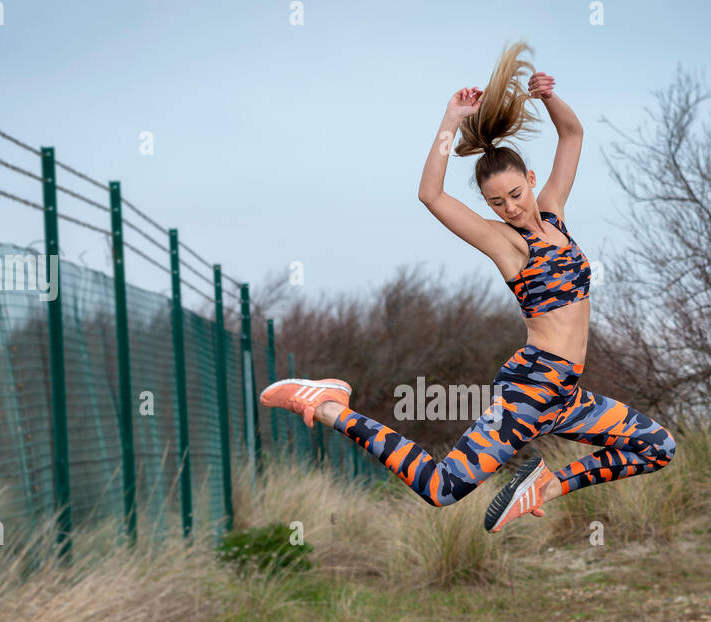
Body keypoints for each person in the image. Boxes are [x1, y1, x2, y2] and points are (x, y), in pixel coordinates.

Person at [261, 41, 675, 533]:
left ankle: (543, 487)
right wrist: (450, 119)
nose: (512, 208)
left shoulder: (554, 215)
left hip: (564, 395)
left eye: (517, 194)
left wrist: (547, 96)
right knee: (442, 488)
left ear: (531, 179)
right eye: (497, 202)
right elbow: (430, 195)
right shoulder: (508, 245)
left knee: (657, 447)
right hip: (531, 391)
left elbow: (572, 133)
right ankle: (328, 405)